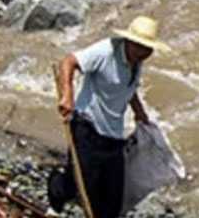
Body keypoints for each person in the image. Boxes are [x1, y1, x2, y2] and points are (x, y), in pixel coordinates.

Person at [48, 15, 171, 218]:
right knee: (80, 189)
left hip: (113, 135)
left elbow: (128, 89)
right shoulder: (105, 51)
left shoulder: (136, 62)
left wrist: (140, 114)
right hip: (87, 128)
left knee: (113, 200)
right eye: (139, 46)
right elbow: (68, 62)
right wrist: (67, 96)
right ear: (128, 41)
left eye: (147, 49)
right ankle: (54, 186)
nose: (143, 53)